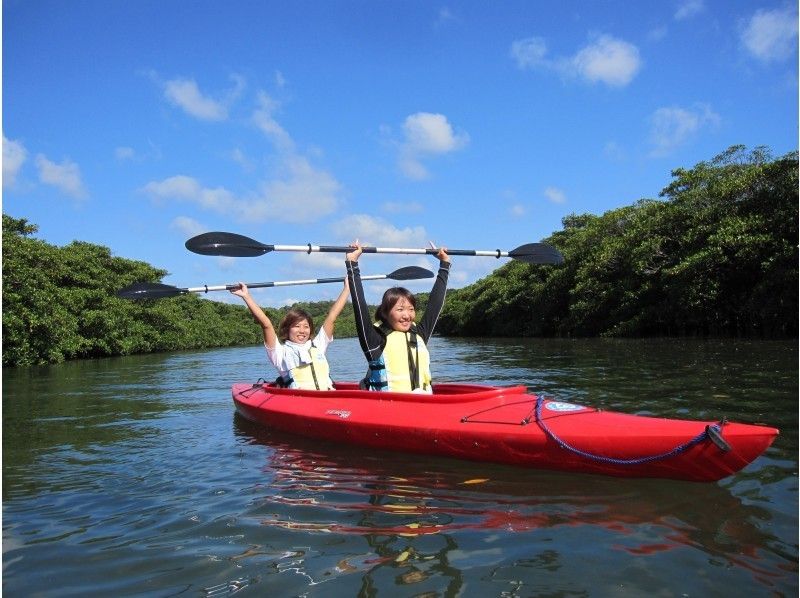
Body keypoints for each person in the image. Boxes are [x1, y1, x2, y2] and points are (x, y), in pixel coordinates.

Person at [346, 241, 450, 393]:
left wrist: (444, 264)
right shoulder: (374, 340)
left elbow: (435, 305)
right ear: (385, 313)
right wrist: (352, 263)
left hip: (425, 406)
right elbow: (359, 304)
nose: (407, 315)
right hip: (389, 409)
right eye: (400, 309)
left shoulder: (419, 334)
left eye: (411, 309)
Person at [230, 280, 349, 390]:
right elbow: (266, 325)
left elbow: (332, 317)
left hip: (328, 399)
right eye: (297, 326)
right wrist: (246, 296)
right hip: (299, 401)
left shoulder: (318, 345)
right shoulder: (280, 353)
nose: (302, 330)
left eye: (306, 327)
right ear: (287, 329)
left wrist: (347, 288)